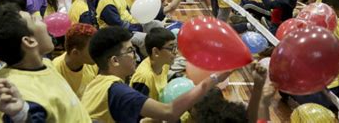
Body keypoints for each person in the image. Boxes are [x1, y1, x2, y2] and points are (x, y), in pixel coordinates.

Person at [81, 26, 230, 123]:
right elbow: (170, 112)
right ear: (114, 61)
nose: (136, 56)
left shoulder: (97, 83)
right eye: (130, 51)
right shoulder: (119, 90)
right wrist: (214, 78)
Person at [0, 5, 92, 122]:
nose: (44, 21)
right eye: (33, 19)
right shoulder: (24, 95)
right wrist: (21, 116)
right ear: (29, 41)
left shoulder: (43, 63)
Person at [53, 23, 98, 99]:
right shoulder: (55, 71)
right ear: (75, 53)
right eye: (92, 49)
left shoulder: (94, 64)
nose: (97, 51)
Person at [130, 28, 176, 100]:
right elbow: (137, 108)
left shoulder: (164, 64)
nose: (175, 52)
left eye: (175, 47)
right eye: (171, 48)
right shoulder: (144, 77)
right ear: (156, 52)